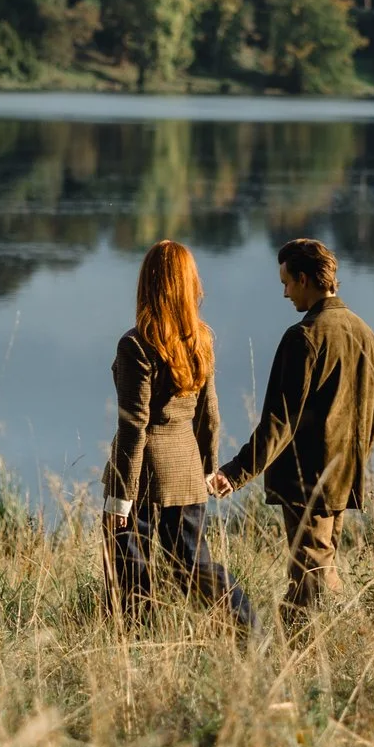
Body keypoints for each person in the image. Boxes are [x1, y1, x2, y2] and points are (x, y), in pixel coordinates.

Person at [208, 238, 374, 627]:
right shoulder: (365, 333)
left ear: (304, 279)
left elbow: (279, 421)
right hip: (344, 477)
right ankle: (324, 645)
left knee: (311, 578)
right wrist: (356, 464)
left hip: (307, 481)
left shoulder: (304, 337)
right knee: (321, 566)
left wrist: (234, 474)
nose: (285, 293)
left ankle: (313, 654)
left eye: (287, 282)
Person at [103, 241, 257, 631]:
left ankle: (136, 639)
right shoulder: (200, 338)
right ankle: (247, 623)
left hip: (142, 477)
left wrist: (122, 494)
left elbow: (133, 426)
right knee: (193, 563)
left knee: (129, 565)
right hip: (187, 472)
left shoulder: (136, 343)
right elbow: (210, 414)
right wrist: (206, 467)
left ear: (148, 283)